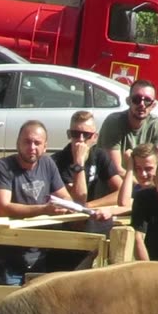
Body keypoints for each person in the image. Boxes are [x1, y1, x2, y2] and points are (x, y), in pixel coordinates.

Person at [0, 120, 75, 286]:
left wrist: (66, 207)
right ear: (17, 143)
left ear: (45, 146)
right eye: (27, 142)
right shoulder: (3, 167)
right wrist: (44, 209)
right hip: (8, 255)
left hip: (39, 253)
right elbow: (3, 207)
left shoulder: (48, 164)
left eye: (37, 143)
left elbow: (65, 197)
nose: (32, 147)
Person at [47, 110, 123, 271]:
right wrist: (79, 163)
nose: (80, 140)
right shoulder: (57, 161)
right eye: (75, 134)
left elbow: (122, 193)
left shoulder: (100, 156)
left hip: (90, 219)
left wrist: (91, 205)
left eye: (86, 135)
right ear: (69, 134)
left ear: (94, 137)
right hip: (65, 223)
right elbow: (77, 199)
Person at [97, 79, 158, 173]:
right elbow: (115, 170)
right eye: (137, 99)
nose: (142, 104)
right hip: (113, 180)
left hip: (141, 179)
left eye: (147, 100)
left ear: (153, 105)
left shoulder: (155, 124)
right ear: (128, 101)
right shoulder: (114, 122)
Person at [115, 142, 158, 212]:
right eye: (138, 168)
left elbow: (124, 204)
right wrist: (130, 168)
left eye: (148, 169)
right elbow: (123, 203)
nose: (143, 174)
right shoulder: (139, 188)